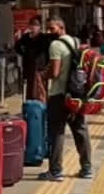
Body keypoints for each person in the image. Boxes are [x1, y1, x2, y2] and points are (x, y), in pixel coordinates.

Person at [39, 16, 92, 181]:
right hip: (77, 94)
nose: (49, 32)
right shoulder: (76, 41)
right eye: (47, 29)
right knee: (80, 130)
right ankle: (87, 168)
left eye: (52, 29)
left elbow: (54, 72)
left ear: (61, 28)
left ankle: (55, 171)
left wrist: (43, 74)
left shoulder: (55, 45)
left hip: (59, 95)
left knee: (56, 132)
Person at [14, 16, 51, 102]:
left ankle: (42, 106)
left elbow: (47, 51)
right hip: (29, 67)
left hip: (41, 68)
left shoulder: (43, 38)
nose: (33, 27)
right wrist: (24, 53)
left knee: (41, 89)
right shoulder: (26, 37)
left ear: (39, 27)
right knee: (30, 89)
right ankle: (31, 106)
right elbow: (17, 47)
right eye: (32, 25)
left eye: (36, 25)